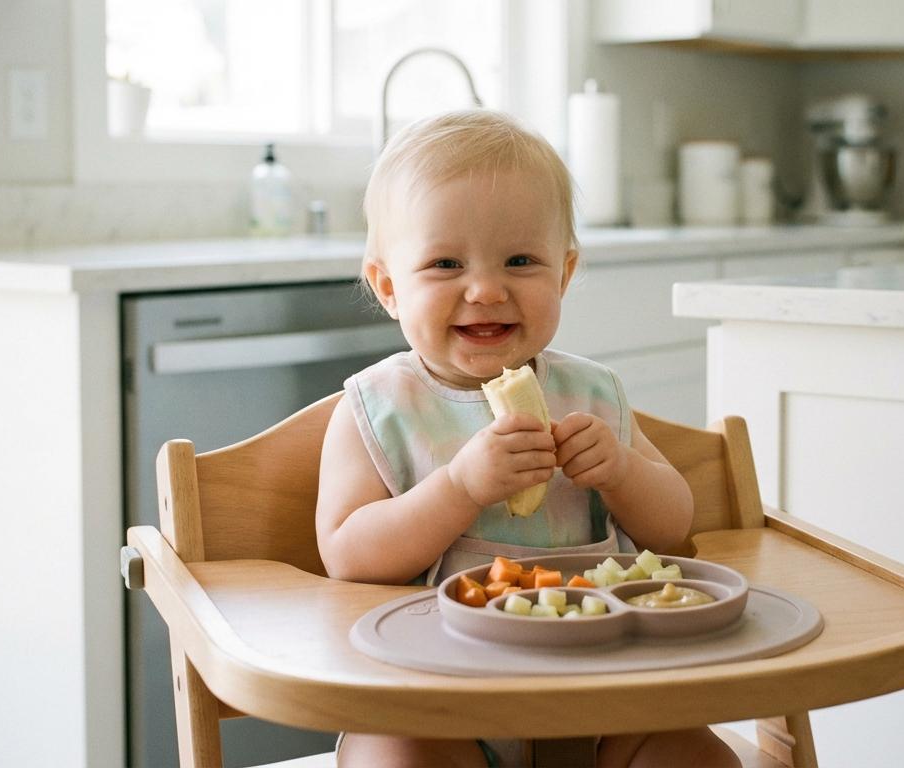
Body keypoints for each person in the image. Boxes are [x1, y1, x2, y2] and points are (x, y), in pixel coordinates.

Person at [314, 109, 740, 768]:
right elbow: (347, 554)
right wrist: (457, 488)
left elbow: (672, 528)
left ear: (564, 273)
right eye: (445, 263)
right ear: (389, 287)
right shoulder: (378, 409)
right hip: (434, 701)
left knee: (694, 756)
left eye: (520, 260)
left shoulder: (593, 394)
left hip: (605, 692)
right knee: (391, 755)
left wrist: (622, 471)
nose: (486, 289)